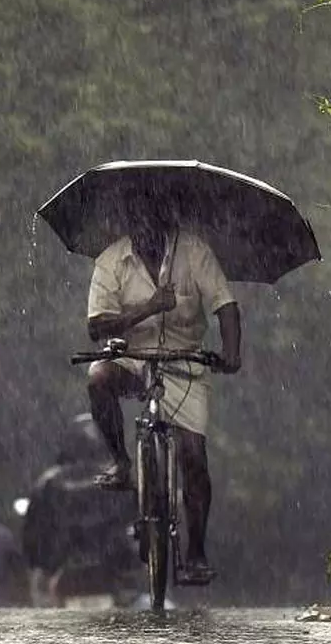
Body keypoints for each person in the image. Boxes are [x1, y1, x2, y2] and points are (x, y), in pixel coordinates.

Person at [84, 189, 241, 585]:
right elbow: (96, 327)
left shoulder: (195, 253)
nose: (145, 236)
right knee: (98, 378)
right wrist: (149, 307)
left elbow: (226, 305)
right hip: (132, 357)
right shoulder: (110, 260)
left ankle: (196, 551)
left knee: (193, 457)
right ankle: (121, 462)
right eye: (137, 227)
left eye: (153, 226)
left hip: (184, 361)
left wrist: (231, 353)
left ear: (167, 224)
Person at [21, 414, 138, 606]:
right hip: (112, 572)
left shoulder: (48, 482)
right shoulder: (122, 480)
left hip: (63, 571)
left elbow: (32, 537)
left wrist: (41, 563)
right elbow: (138, 525)